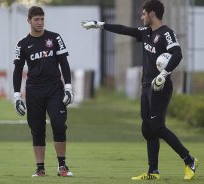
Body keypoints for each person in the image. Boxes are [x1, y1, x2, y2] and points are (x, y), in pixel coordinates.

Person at [81, 0, 198, 181]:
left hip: (160, 85)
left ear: (152, 14)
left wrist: (164, 74)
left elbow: (177, 54)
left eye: (144, 13)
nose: (141, 17)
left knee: (158, 127)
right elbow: (124, 29)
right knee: (148, 129)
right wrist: (100, 25)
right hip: (146, 86)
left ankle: (189, 160)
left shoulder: (167, 33)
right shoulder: (146, 32)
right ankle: (153, 172)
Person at [13, 6, 74, 177]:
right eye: (36, 19)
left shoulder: (54, 38)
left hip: (55, 88)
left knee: (59, 124)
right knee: (37, 129)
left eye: (42, 19)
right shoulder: (22, 44)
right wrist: (17, 96)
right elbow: (17, 71)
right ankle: (40, 168)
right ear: (29, 21)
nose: (40, 22)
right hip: (33, 91)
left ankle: (62, 166)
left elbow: (64, 63)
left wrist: (68, 87)